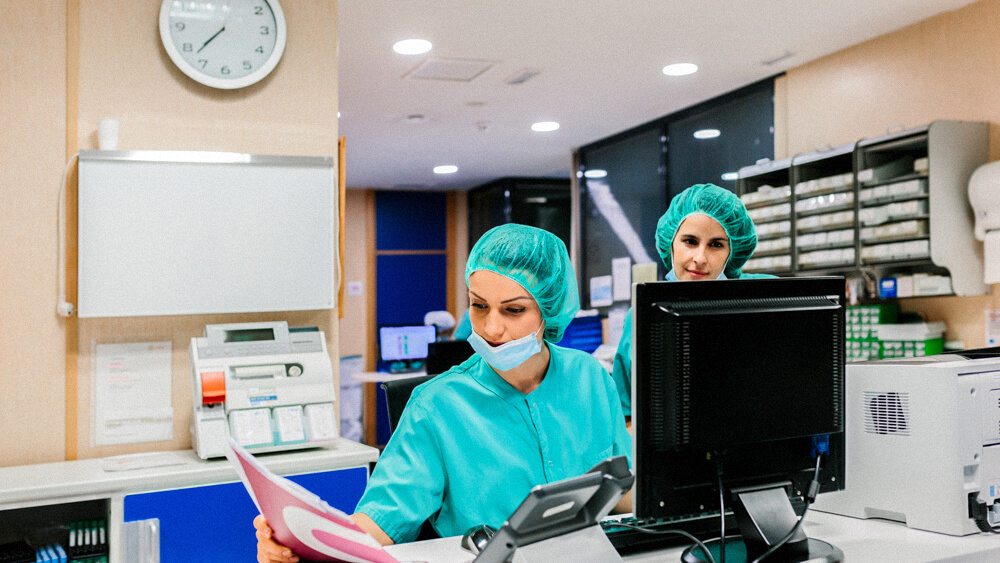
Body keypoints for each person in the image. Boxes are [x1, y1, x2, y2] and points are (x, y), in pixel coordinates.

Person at [255, 224, 632, 562]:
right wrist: (302, 547)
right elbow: (381, 519)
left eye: (514, 310)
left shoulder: (590, 379)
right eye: (479, 306)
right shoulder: (435, 405)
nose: (491, 328)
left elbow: (625, 493)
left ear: (549, 311)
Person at [611, 183, 773, 425]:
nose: (700, 258)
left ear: (732, 251)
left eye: (716, 245)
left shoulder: (764, 300)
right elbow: (626, 414)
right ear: (671, 244)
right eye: (690, 241)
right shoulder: (644, 315)